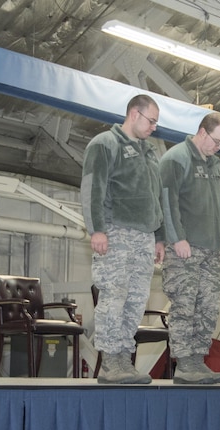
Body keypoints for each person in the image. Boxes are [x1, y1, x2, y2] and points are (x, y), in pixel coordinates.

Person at [81, 94, 165, 384]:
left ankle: (124, 358)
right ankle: (110, 361)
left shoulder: (149, 153)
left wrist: (159, 236)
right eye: (151, 120)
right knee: (114, 296)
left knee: (136, 300)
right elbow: (93, 188)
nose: (154, 127)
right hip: (116, 231)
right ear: (133, 113)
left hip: (144, 236)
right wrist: (97, 229)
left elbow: (157, 198)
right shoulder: (105, 144)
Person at [159, 112, 220, 384]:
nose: (218, 148)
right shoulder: (176, 158)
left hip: (211, 248)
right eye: (216, 142)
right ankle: (184, 363)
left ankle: (198, 360)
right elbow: (167, 201)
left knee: (208, 307)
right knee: (185, 305)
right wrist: (176, 238)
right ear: (202, 132)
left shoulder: (214, 164)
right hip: (185, 248)